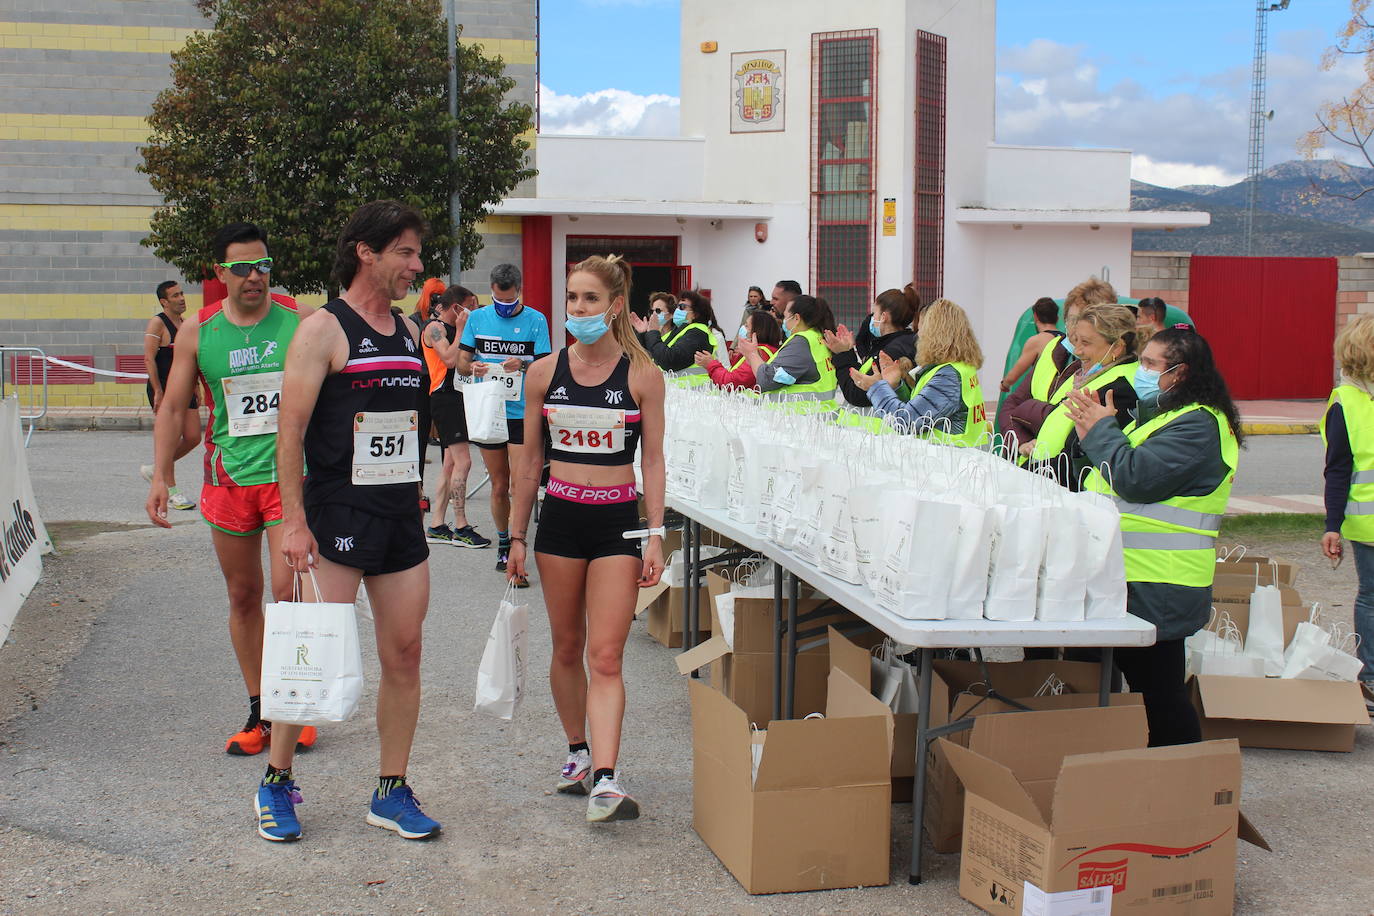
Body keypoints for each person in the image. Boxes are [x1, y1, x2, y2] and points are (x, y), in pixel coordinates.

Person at [266, 200, 442, 844]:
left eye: (417, 254)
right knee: (312, 651)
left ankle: (391, 790)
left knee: (406, 652)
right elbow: (290, 431)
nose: (416, 266)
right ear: (366, 252)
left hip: (399, 514)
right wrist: (293, 521)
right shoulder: (323, 329)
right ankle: (277, 780)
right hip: (337, 513)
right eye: (405, 253)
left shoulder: (405, 330)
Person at [144, 222, 317, 757]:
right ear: (220, 272)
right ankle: (259, 708)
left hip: (289, 481)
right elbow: (175, 406)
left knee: (289, 595)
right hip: (228, 481)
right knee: (244, 596)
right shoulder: (197, 331)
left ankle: (296, 706)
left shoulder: (301, 321)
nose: (253, 277)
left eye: (262, 265)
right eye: (241, 267)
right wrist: (160, 475)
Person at [508, 254, 666, 822]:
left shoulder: (643, 375)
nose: (579, 309)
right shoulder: (543, 373)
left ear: (615, 306)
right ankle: (576, 752)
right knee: (567, 646)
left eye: (590, 299)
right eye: (572, 298)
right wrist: (515, 536)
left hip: (618, 524)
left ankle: (606, 776)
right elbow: (530, 462)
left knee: (606, 654)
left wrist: (655, 534)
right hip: (560, 524)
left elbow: (653, 461)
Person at [1071, 325, 1242, 747]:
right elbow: (1110, 475)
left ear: (1180, 373)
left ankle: (1181, 781)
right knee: (1130, 686)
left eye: (1150, 364)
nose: (1139, 371)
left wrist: (1101, 431)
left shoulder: (1199, 425)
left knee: (1161, 696)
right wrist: (1094, 433)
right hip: (1133, 576)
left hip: (1161, 582)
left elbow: (1134, 478)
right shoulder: (1166, 416)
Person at [455, 263, 552, 588]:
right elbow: (461, 362)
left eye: (509, 304)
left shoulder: (536, 320)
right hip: (491, 412)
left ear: (519, 293)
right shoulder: (479, 319)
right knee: (499, 485)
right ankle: (503, 543)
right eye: (498, 303)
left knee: (519, 486)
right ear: (491, 294)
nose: (504, 309)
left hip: (523, 413)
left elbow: (545, 366)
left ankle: (517, 542)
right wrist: (475, 367)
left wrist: (523, 363)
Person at [1320, 315, 1374, 711]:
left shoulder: (1345, 402)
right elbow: (1338, 468)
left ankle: (1371, 679)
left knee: (1371, 598)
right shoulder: (1346, 401)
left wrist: (1334, 525)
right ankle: (1370, 677)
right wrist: (1332, 525)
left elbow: (1337, 468)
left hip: (1365, 521)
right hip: (1367, 522)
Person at [1023, 304, 1140, 481]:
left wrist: (1024, 473)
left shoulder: (1118, 390)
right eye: (1076, 341)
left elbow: (1078, 458)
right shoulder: (1092, 375)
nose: (1077, 351)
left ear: (1117, 347)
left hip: (1065, 490)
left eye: (1085, 343)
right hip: (1049, 479)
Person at [850, 298, 990, 444]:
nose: (918, 334)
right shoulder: (958, 368)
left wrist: (876, 387)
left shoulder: (948, 376)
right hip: (958, 457)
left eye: (922, 327)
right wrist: (896, 387)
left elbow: (906, 421)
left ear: (935, 333)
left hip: (951, 459)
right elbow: (923, 408)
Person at [998, 275, 1118, 437]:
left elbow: (1063, 421)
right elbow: (1012, 404)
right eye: (1072, 319)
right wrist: (1022, 442)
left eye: (1086, 321)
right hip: (1030, 457)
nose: (1076, 329)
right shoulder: (1052, 349)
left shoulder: (1106, 366)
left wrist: (1028, 408)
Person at [421, 284, 490, 548]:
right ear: (457, 307)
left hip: (460, 395)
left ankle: (437, 523)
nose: (473, 310)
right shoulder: (434, 328)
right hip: (444, 397)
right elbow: (449, 360)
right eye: (470, 305)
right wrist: (461, 328)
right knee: (464, 462)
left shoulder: (461, 329)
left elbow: (461, 364)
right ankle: (461, 525)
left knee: (450, 464)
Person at [140, 279, 199, 510]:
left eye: (182, 293)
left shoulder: (186, 324)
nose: (182, 298)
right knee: (171, 437)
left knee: (194, 437)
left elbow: (191, 360)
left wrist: (196, 387)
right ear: (164, 301)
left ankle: (157, 467)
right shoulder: (157, 323)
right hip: (165, 387)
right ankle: (173, 492)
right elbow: (148, 358)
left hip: (186, 386)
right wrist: (157, 391)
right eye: (175, 295)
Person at [825, 285, 919, 408]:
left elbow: (857, 394)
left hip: (876, 425)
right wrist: (847, 352)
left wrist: (841, 355)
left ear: (884, 317)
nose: (871, 319)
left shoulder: (890, 352)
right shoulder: (895, 344)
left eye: (874, 314)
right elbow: (865, 376)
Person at [739, 294, 838, 410]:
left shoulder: (802, 343)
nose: (784, 321)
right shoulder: (817, 338)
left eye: (785, 316)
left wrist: (752, 354)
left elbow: (768, 380)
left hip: (798, 417)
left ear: (796, 318)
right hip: (815, 414)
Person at [407, 277, 446, 509]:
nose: (436, 301)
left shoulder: (440, 321)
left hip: (438, 381)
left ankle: (446, 489)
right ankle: (416, 487)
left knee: (447, 442)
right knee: (419, 437)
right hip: (422, 382)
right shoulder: (415, 320)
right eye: (433, 296)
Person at [632, 289, 728, 372]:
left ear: (695, 314)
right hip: (677, 390)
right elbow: (653, 352)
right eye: (678, 306)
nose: (677, 310)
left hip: (693, 391)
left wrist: (653, 332)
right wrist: (643, 333)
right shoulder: (680, 331)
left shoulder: (698, 333)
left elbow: (668, 360)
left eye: (682, 307)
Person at [695, 309, 782, 389]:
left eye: (747, 326)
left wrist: (710, 364)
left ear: (757, 331)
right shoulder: (767, 351)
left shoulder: (757, 353)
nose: (743, 328)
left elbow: (730, 383)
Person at [1000, 297, 1060, 394]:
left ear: (1035, 316)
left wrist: (1004, 384)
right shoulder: (1066, 339)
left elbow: (1013, 376)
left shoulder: (1036, 341)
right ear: (1057, 318)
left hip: (1044, 396)